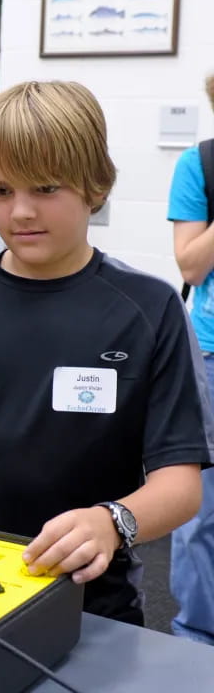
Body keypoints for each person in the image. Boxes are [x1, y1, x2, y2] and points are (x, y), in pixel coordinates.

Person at [0, 80, 210, 624]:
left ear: (95, 186)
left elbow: (181, 484)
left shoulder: (148, 308)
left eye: (45, 189)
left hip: (89, 601)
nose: (20, 212)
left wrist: (113, 522)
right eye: (0, 191)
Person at [167, 73, 214, 643]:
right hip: (210, 353)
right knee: (200, 515)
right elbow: (190, 266)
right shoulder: (199, 164)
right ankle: (196, 641)